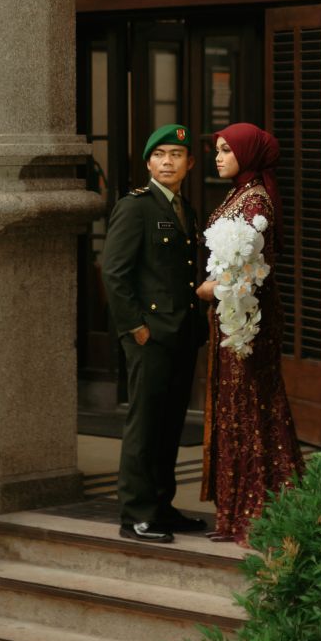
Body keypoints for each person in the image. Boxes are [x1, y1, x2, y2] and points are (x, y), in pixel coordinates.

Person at [100, 123, 208, 544]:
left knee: (169, 425)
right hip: (150, 336)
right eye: (159, 155)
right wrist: (135, 328)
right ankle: (137, 514)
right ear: (148, 163)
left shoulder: (185, 209)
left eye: (176, 155)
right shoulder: (136, 207)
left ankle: (162, 506)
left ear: (189, 163)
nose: (167, 162)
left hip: (180, 334)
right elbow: (115, 273)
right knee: (145, 426)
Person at [198, 122, 304, 544]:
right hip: (236, 314)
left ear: (247, 153)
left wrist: (212, 289)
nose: (218, 157)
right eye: (217, 150)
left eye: (227, 149)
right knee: (236, 405)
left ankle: (261, 512)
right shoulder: (241, 193)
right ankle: (238, 512)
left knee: (252, 405)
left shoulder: (255, 200)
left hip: (248, 318)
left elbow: (247, 271)